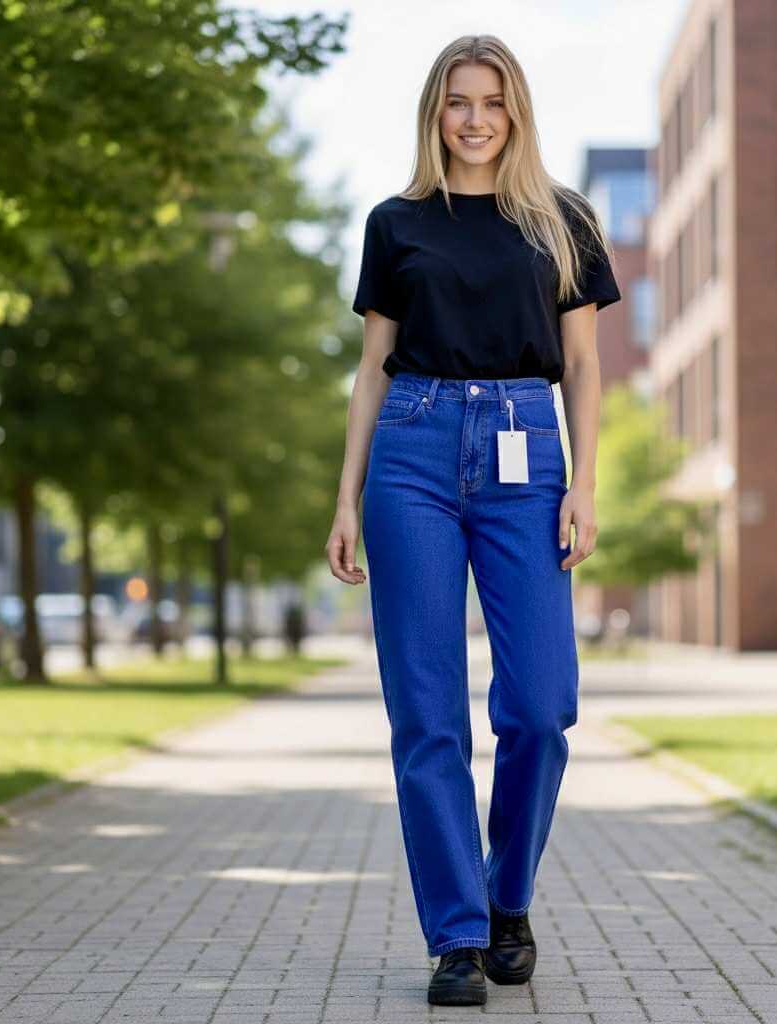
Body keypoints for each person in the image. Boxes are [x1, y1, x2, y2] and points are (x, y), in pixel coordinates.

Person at [325, 33, 620, 1007]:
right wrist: (345, 496)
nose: (475, 117)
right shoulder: (396, 221)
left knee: (540, 704)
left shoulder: (563, 222)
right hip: (409, 454)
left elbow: (582, 367)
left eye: (491, 100)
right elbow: (371, 370)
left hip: (525, 453)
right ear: (435, 112)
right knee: (426, 709)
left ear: (516, 110)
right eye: (458, 100)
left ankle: (508, 897)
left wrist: (584, 483)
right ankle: (456, 935)